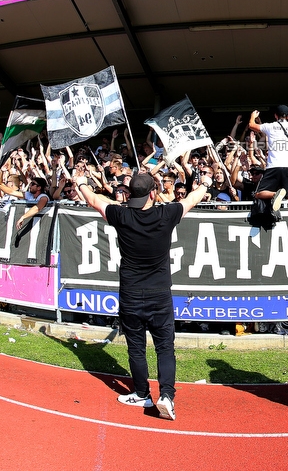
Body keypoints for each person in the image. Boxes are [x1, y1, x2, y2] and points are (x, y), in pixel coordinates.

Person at [75, 170, 212, 421]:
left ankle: (141, 392)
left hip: (130, 294)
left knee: (136, 348)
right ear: (153, 193)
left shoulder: (121, 214)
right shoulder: (166, 214)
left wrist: (82, 183)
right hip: (159, 294)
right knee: (164, 348)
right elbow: (192, 199)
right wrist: (205, 183)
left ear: (130, 193)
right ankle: (167, 395)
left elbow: (94, 200)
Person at [247, 104, 288, 207]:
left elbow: (251, 125)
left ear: (275, 115)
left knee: (258, 194)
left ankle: (275, 194)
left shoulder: (270, 126)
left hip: (273, 166)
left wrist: (253, 116)